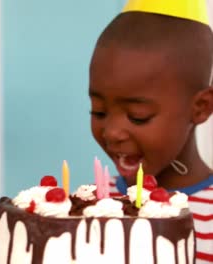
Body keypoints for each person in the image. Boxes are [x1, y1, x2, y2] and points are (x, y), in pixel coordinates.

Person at [89, 0, 213, 262]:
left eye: (138, 117)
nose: (112, 132)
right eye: (99, 111)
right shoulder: (91, 205)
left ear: (201, 107)